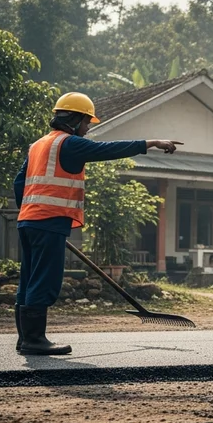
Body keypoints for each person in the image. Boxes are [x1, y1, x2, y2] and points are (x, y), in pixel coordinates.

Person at [14, 92, 181, 355]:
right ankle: (34, 339)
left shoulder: (37, 145)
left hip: (29, 221)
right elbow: (108, 149)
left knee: (28, 278)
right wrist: (151, 142)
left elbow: (19, 182)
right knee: (44, 279)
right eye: (87, 122)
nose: (88, 127)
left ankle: (24, 338)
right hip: (48, 221)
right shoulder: (69, 143)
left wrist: (30, 213)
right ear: (75, 119)